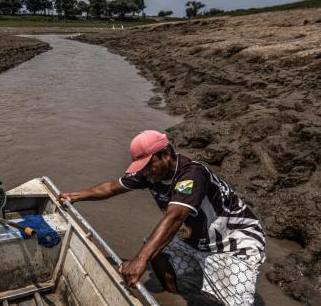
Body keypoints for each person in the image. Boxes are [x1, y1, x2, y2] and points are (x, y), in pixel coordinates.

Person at [59, 130, 265, 306]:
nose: (146, 173)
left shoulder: (192, 174)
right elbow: (111, 188)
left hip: (233, 240)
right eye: (143, 168)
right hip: (197, 236)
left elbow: (175, 216)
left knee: (236, 302)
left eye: (150, 166)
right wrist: (74, 196)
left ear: (166, 154)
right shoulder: (148, 173)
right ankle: (173, 295)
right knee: (153, 248)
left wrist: (140, 260)